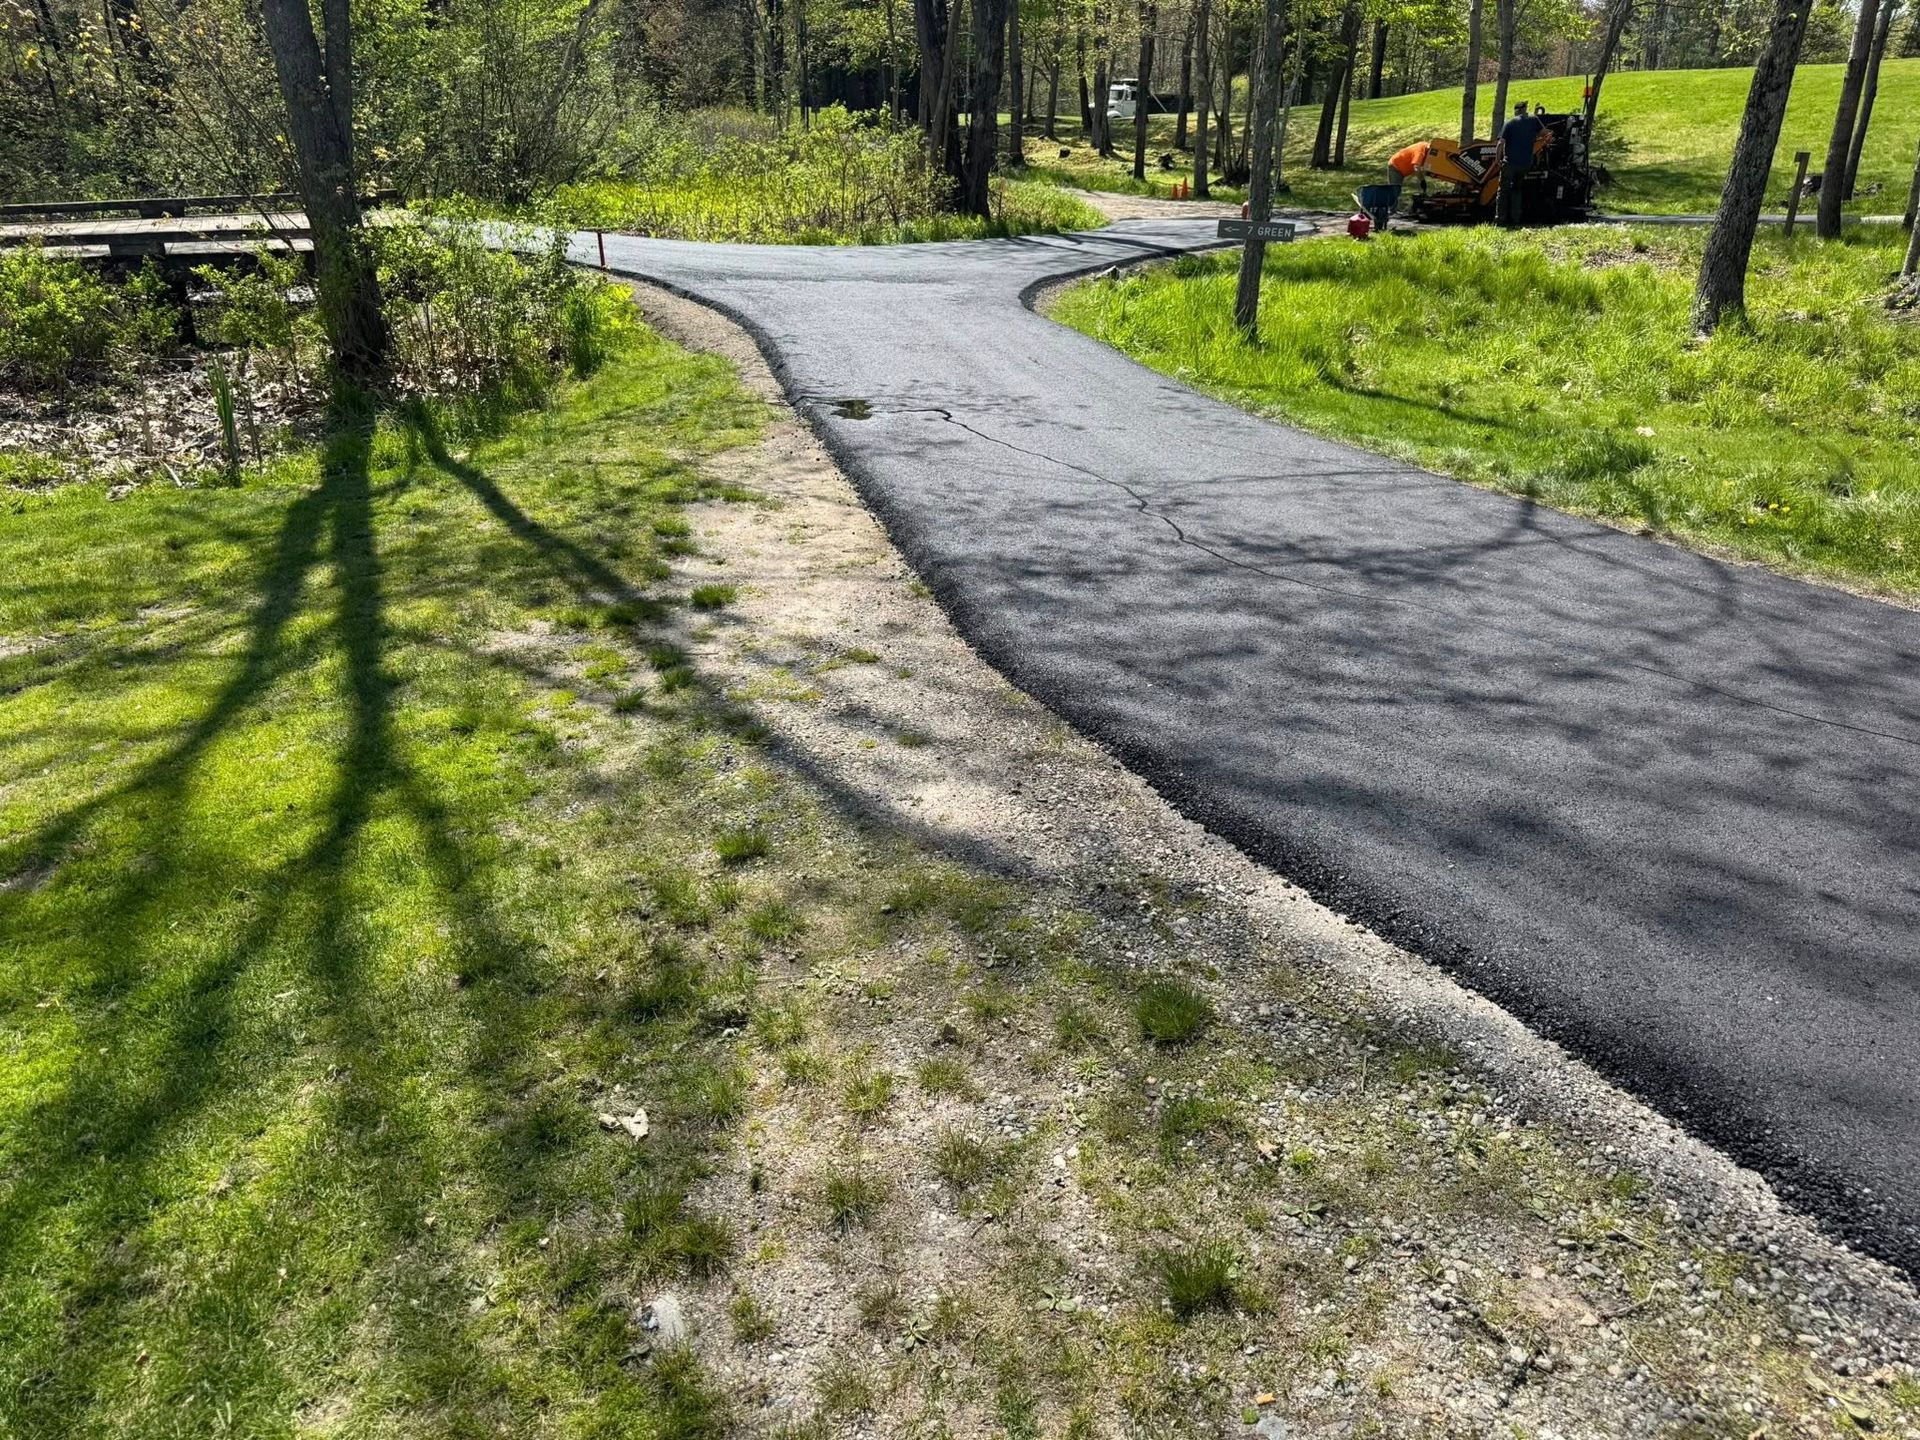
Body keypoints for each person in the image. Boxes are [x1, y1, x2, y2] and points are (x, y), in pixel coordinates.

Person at [1495, 101, 1544, 227]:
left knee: (1503, 191)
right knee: (1517, 190)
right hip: (1525, 164)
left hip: (1510, 163)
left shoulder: (1510, 123)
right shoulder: (1534, 120)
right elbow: (1544, 133)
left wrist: (1497, 160)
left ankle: (1500, 220)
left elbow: (1500, 143)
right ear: (1525, 109)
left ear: (1516, 110)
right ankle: (1516, 219)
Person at [1384, 140, 1431, 208]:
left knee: (1396, 190)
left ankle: (1391, 210)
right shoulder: (1421, 151)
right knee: (1395, 190)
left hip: (1400, 168)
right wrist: (1422, 180)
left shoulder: (1424, 146)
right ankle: (1390, 211)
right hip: (1395, 166)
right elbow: (1416, 168)